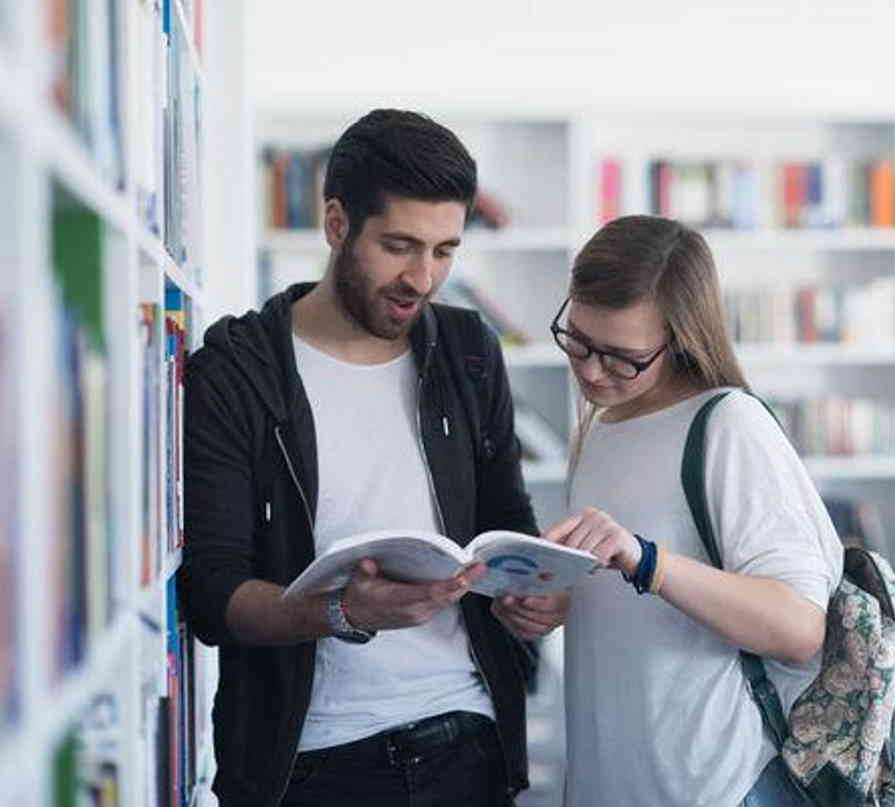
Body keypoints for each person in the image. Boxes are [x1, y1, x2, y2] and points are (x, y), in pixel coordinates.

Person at [181, 109, 566, 807]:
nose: (422, 278)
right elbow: (213, 594)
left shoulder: (469, 349)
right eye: (399, 245)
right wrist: (340, 612)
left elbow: (509, 518)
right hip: (308, 763)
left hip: (469, 741)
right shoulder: (237, 368)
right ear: (336, 223)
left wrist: (534, 593)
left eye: (445, 250)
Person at [546, 215, 844, 806]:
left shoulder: (729, 424)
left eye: (622, 356)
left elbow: (798, 628)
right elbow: (633, 610)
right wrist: (552, 601)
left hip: (713, 788)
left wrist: (647, 561)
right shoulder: (602, 425)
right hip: (614, 782)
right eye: (577, 339)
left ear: (681, 338)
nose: (590, 370)